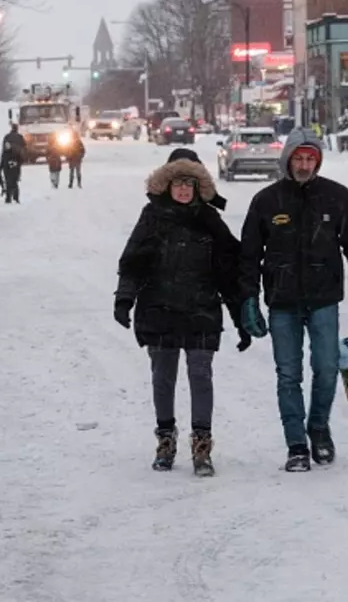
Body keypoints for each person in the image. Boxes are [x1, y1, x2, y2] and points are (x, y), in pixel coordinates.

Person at [238, 128, 348, 473]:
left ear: (317, 161)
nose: (304, 165)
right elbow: (248, 256)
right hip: (282, 301)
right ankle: (296, 445)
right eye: (298, 158)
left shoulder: (337, 197)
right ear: (288, 159)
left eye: (310, 159)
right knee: (288, 374)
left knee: (327, 369)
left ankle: (318, 427)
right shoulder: (266, 201)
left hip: (323, 298)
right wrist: (248, 300)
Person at [114, 153, 250, 477]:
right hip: (159, 309)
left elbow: (228, 274)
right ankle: (166, 440)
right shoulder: (152, 217)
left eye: (190, 183)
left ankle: (202, 444)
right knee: (163, 377)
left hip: (201, 310)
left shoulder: (211, 221)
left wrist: (240, 319)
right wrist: (124, 300)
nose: (184, 190)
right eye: (178, 183)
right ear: (167, 185)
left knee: (200, 375)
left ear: (199, 186)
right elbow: (133, 262)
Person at [0, 123, 25, 204]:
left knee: (8, 180)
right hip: (16, 162)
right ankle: (16, 197)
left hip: (7, 162)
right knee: (15, 181)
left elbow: (3, 152)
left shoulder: (7, 137)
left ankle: (8, 197)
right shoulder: (20, 138)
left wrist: (1, 166)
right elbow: (24, 150)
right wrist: (20, 162)